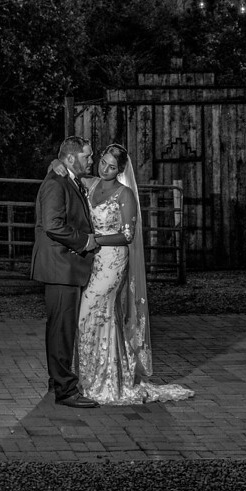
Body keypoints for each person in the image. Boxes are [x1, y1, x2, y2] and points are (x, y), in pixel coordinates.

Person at [75, 143, 194, 405]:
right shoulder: (92, 184)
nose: (105, 168)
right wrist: (57, 165)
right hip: (93, 260)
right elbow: (71, 173)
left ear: (120, 170)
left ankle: (107, 382)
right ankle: (93, 378)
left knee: (90, 311)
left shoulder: (124, 194)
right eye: (103, 162)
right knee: (100, 317)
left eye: (112, 166)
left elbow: (127, 235)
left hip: (113, 260)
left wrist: (95, 240)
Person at [29, 136, 130, 408]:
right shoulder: (56, 183)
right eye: (87, 156)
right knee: (61, 328)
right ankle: (65, 389)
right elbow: (52, 225)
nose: (92, 160)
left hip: (66, 265)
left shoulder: (70, 179)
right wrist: (84, 241)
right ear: (72, 158)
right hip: (60, 266)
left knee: (60, 327)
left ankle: (57, 380)